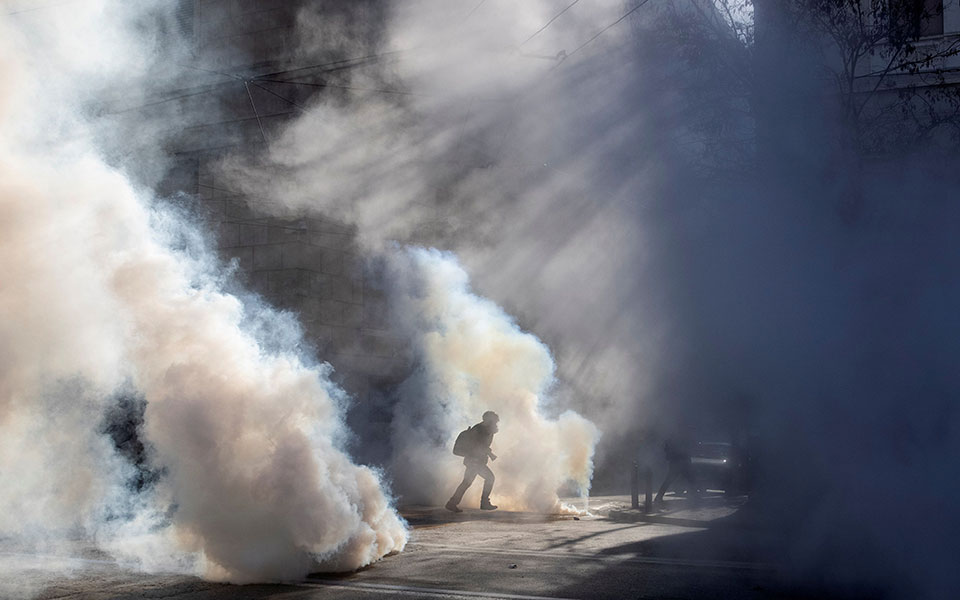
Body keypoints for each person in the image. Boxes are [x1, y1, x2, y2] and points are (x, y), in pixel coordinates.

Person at [445, 411, 499, 512]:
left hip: (476, 461)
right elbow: (478, 446)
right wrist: (488, 453)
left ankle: (452, 503)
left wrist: (489, 454)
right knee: (490, 478)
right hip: (474, 461)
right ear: (488, 420)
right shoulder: (479, 430)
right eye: (494, 421)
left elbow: (483, 446)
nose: (496, 424)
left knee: (466, 482)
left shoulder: (486, 430)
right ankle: (484, 503)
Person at [655, 436, 699, 508]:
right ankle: (696, 498)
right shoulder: (680, 441)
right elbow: (686, 452)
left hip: (676, 463)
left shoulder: (673, 440)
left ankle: (658, 497)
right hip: (679, 463)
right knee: (690, 480)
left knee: (669, 481)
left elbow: (668, 451)